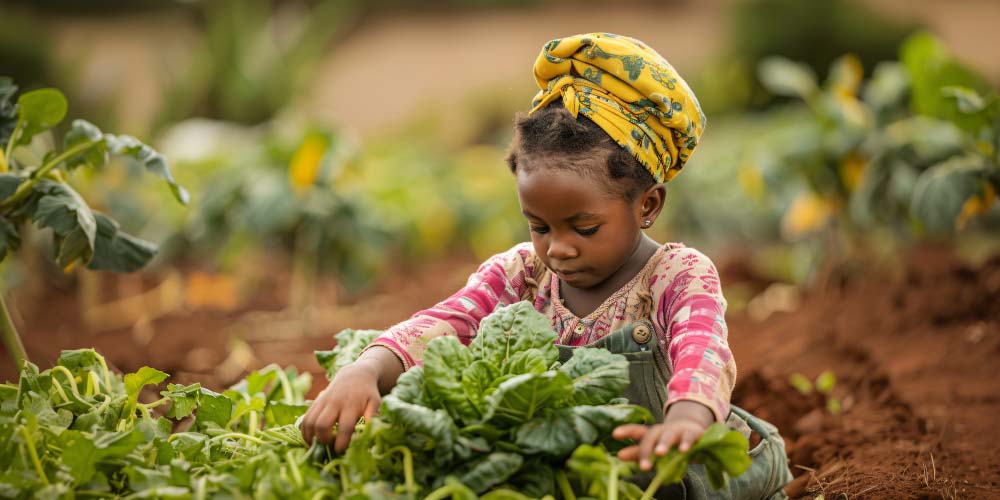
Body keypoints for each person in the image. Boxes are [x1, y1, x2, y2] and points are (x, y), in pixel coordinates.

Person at [300, 33, 793, 499]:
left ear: (647, 206)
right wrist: (365, 368)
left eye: (584, 228)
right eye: (539, 227)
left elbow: (703, 351)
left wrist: (687, 417)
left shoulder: (677, 275)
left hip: (673, 467)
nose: (557, 249)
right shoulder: (520, 274)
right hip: (575, 475)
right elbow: (447, 322)